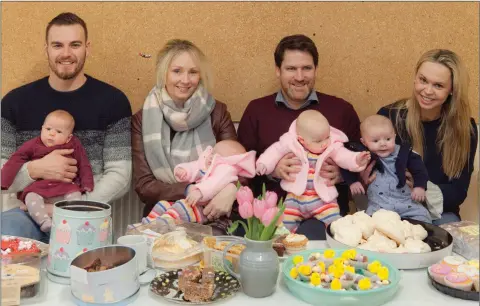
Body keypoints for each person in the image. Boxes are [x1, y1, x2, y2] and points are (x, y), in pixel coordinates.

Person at [1, 12, 132, 242]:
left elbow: (120, 173)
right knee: (8, 234)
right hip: (25, 211)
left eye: (75, 45)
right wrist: (36, 170)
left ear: (87, 48)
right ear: (46, 49)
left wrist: (72, 207)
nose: (66, 54)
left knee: (88, 271)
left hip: (84, 211)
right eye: (57, 45)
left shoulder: (114, 102)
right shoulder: (14, 103)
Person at [237, 34, 362, 239]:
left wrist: (342, 174)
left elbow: (363, 162)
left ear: (316, 69)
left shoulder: (341, 110)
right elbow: (241, 169)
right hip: (272, 216)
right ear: (278, 70)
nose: (299, 76)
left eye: (307, 68)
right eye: (291, 69)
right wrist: (272, 170)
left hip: (326, 216)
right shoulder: (256, 110)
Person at [131, 39, 238, 232]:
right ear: (163, 74)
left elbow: (238, 163)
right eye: (177, 71)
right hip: (160, 215)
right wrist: (189, 190)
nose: (185, 80)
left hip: (212, 215)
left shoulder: (217, 111)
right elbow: (145, 185)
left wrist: (232, 188)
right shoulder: (143, 119)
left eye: (193, 72)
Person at [367, 49, 478, 226]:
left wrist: (423, 188)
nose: (427, 91)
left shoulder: (465, 129)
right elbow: (370, 169)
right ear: (415, 78)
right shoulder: (389, 116)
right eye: (423, 80)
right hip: (390, 207)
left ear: (452, 90)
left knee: (447, 241)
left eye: (438, 85)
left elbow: (459, 191)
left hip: (439, 213)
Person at [256, 110, 370, 232]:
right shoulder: (290, 143)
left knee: (335, 223)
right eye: (318, 141)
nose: (324, 144)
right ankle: (288, 241)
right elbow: (274, 151)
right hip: (295, 197)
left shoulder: (332, 145)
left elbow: (344, 156)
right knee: (284, 224)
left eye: (327, 137)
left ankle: (339, 243)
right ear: (301, 140)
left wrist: (357, 159)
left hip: (322, 199)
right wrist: (264, 164)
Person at [1, 110, 94, 232]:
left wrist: (87, 184)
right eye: (48, 129)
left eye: (59, 131)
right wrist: (4, 180)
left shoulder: (74, 145)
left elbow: (84, 164)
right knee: (31, 197)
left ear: (68, 137)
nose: (51, 134)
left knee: (76, 196)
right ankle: (44, 221)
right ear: (42, 129)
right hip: (39, 187)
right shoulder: (33, 144)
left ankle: (73, 221)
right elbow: (16, 159)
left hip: (64, 186)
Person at [342, 115, 431, 223]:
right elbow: (346, 166)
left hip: (407, 204)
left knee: (423, 218)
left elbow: (420, 170)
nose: (383, 144)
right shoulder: (363, 156)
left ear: (394, 136)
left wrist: (420, 187)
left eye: (388, 139)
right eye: (375, 141)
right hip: (379, 207)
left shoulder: (405, 153)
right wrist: (353, 182)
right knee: (367, 224)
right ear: (364, 142)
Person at [143, 140, 255, 225]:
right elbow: (196, 167)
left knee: (179, 210)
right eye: (212, 152)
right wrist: (185, 171)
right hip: (194, 203)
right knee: (162, 205)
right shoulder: (210, 165)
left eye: (217, 155)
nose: (211, 156)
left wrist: (199, 191)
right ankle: (146, 225)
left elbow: (214, 183)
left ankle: (158, 227)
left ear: (229, 160)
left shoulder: (226, 170)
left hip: (206, 209)